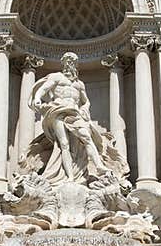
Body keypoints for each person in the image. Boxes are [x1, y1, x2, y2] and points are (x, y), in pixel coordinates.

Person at [22, 52, 121, 184]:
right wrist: (37, 98)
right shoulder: (57, 77)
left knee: (86, 137)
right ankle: (70, 177)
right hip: (58, 111)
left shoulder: (79, 84)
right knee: (64, 144)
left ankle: (99, 166)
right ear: (63, 64)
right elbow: (43, 89)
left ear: (76, 65)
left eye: (73, 62)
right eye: (68, 62)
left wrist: (85, 107)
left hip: (74, 113)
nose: (70, 65)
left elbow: (86, 101)